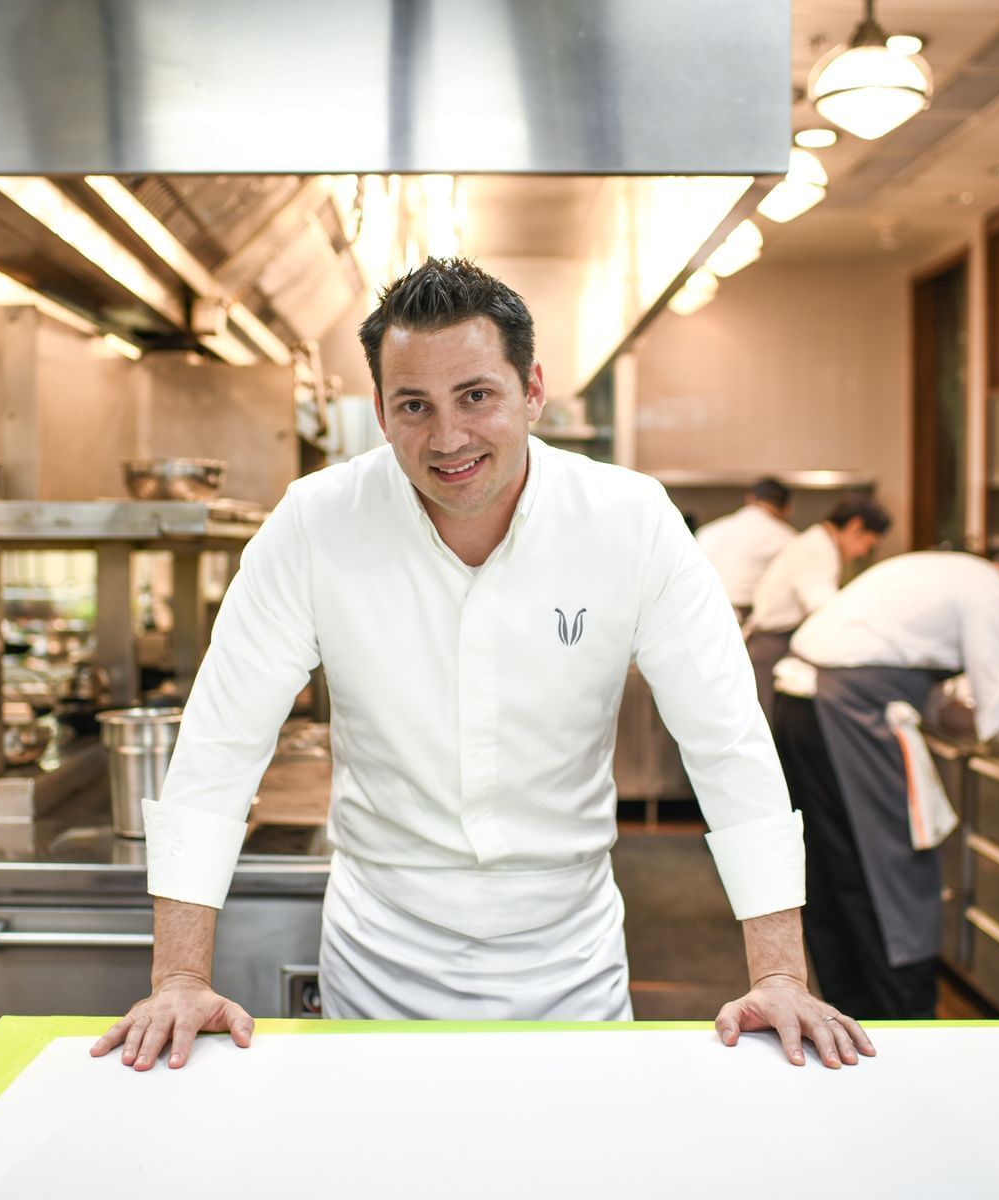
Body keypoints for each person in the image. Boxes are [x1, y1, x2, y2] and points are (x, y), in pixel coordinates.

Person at [93, 258, 874, 1074]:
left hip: (570, 962)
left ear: (532, 389)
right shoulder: (317, 522)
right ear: (380, 412)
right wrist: (179, 976)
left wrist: (781, 972)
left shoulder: (628, 520)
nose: (448, 437)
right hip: (381, 958)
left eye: (476, 396)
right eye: (414, 406)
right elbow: (221, 740)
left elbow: (728, 741)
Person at [769, 551, 999, 1021]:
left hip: (803, 705)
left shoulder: (954, 575)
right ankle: (901, 1023)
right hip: (847, 713)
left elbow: (942, 708)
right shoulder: (995, 591)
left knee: (835, 871)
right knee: (886, 872)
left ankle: (850, 1014)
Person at [744, 495, 892, 718]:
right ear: (855, 526)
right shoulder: (817, 548)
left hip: (774, 641)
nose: (862, 553)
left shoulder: (820, 543)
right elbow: (823, 609)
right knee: (765, 726)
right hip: (771, 645)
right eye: (868, 545)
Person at [694, 477, 795, 620]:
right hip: (742, 617)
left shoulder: (708, 531)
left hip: (698, 611)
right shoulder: (787, 538)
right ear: (788, 509)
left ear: (750, 499)